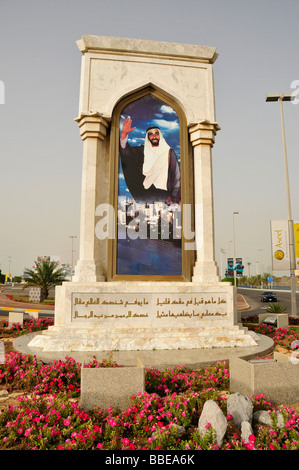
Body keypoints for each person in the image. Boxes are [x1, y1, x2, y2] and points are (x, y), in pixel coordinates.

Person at [119, 117, 181, 204]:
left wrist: (173, 197)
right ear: (148, 137)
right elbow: (127, 153)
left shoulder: (168, 152)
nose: (154, 136)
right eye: (151, 134)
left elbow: (176, 177)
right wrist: (124, 134)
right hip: (146, 194)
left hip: (166, 196)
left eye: (156, 133)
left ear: (160, 135)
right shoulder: (142, 151)